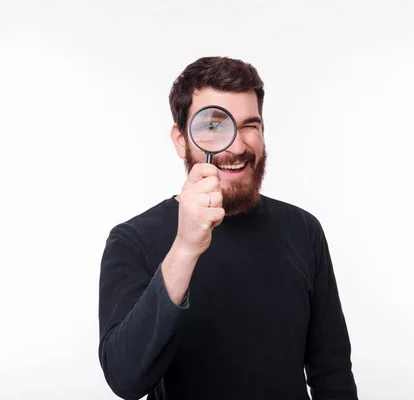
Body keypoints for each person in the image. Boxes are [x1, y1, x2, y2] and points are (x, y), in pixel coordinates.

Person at [97, 56, 359, 400]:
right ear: (181, 139)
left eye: (250, 125)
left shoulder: (304, 229)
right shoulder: (133, 241)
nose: (236, 146)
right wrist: (186, 247)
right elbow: (125, 379)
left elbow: (332, 371)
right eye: (214, 125)